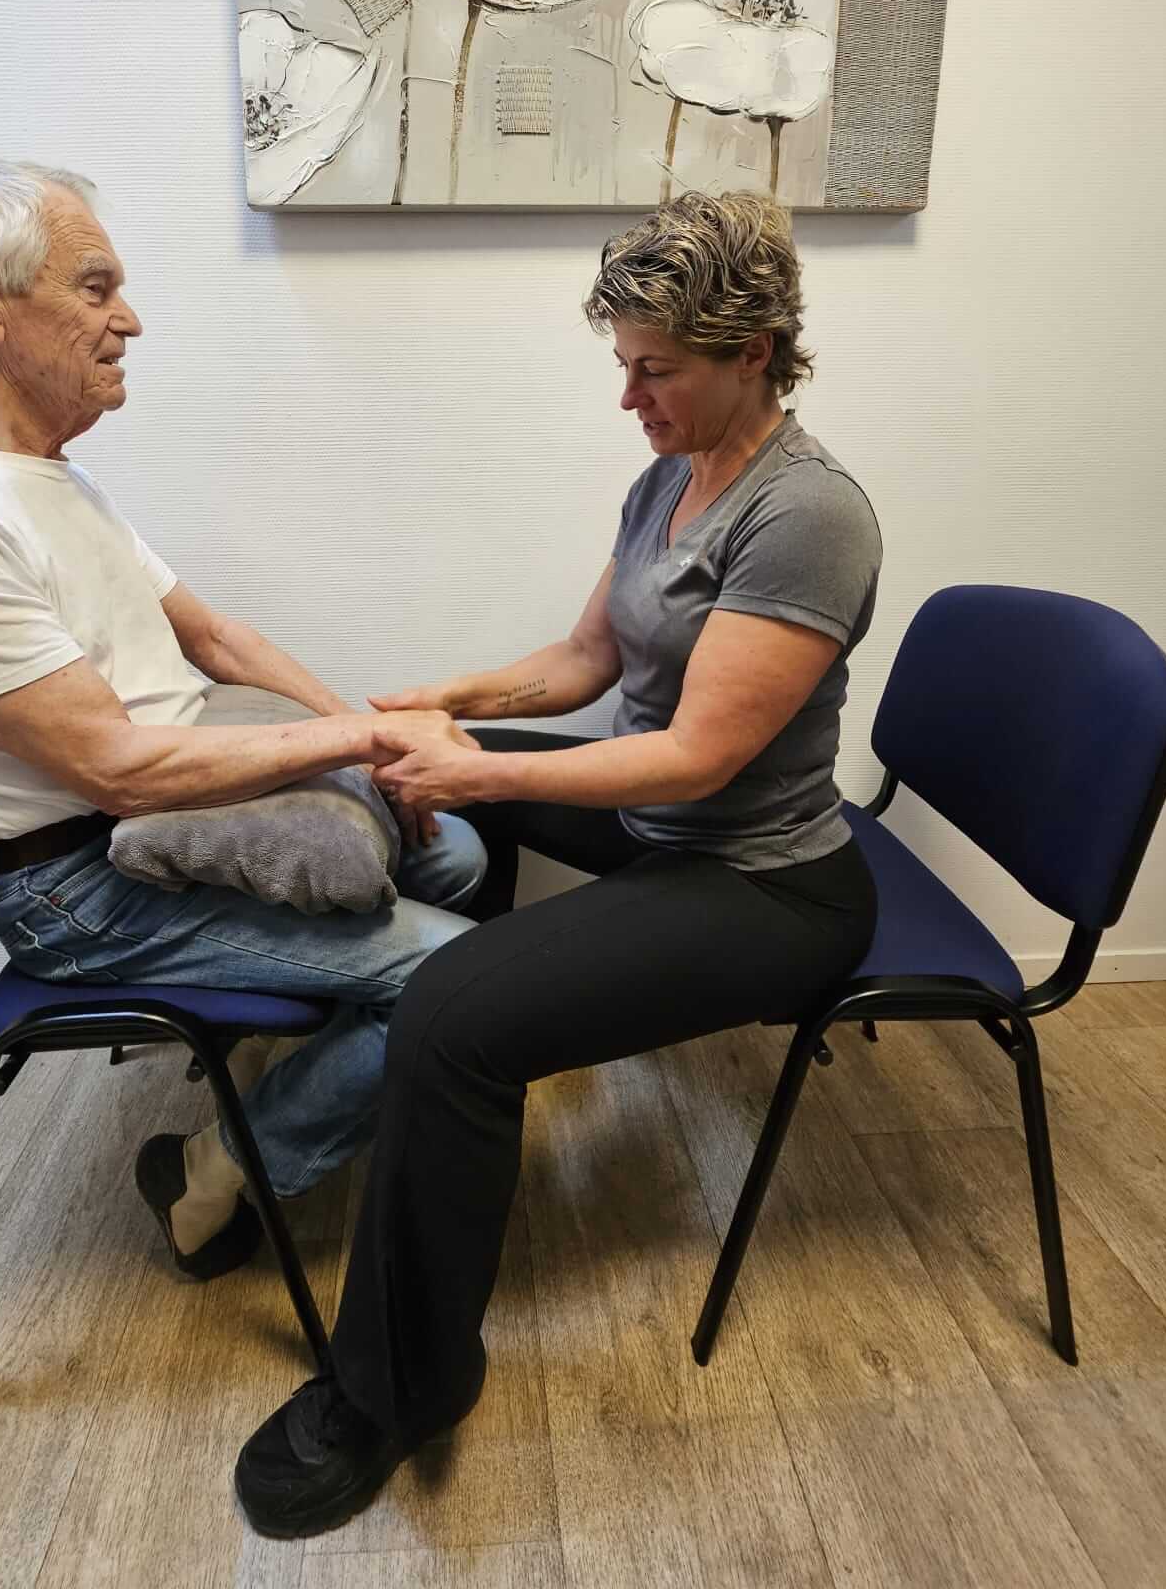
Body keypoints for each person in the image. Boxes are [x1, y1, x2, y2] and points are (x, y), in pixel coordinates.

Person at [235, 190, 883, 1537]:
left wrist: (476, 768)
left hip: (769, 885)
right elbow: (587, 665)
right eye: (624, 365)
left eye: (658, 369)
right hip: (667, 833)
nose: (631, 398)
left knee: (457, 1017)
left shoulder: (808, 515)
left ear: (752, 350)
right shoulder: (671, 475)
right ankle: (380, 1113)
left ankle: (398, 1386)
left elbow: (694, 758)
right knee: (435, 779)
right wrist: (442, 703)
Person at [0, 159, 485, 1278]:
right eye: (94, 287)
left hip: (162, 823)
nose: (128, 318)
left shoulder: (44, 476)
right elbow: (119, 769)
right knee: (453, 981)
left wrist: (377, 755)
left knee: (450, 849)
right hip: (79, 882)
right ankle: (221, 1167)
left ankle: (281, 1058)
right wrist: (368, 744)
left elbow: (212, 639)